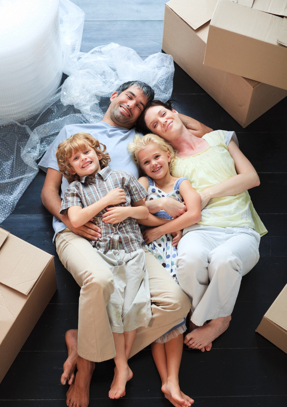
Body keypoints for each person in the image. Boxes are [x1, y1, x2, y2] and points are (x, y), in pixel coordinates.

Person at [39, 81, 204, 407]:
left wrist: (164, 210)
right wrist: (73, 219)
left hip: (126, 237)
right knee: (97, 280)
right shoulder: (74, 132)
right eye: (130, 96)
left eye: (141, 104)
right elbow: (49, 191)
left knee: (177, 304)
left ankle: (83, 345)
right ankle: (86, 371)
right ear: (115, 96)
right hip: (78, 231)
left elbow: (196, 132)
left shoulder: (138, 144)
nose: (133, 104)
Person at [136, 99, 267, 353]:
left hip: (240, 229)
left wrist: (206, 194)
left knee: (224, 259)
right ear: (156, 135)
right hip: (198, 229)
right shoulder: (167, 161)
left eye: (164, 114)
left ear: (175, 112)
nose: (163, 121)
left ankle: (216, 320)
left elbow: (252, 178)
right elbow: (150, 193)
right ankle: (208, 310)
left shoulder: (220, 138)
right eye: (155, 124)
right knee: (188, 260)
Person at [56, 132, 152, 399]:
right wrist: (108, 201)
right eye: (76, 158)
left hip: (132, 250)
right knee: (113, 309)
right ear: (70, 168)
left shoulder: (122, 177)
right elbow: (75, 220)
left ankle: (122, 368)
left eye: (87, 152)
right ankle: (122, 367)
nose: (83, 158)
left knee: (133, 306)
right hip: (105, 255)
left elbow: (145, 212)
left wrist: (127, 211)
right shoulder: (75, 189)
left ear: (98, 153)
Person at [128, 133, 202, 407]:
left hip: (171, 251)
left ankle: (172, 380)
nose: (153, 163)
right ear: (142, 167)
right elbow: (134, 209)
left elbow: (194, 214)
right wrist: (159, 207)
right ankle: (168, 380)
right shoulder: (145, 184)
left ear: (168, 155)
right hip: (148, 254)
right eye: (146, 162)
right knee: (161, 313)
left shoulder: (182, 184)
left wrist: (162, 228)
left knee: (176, 317)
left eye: (157, 156)